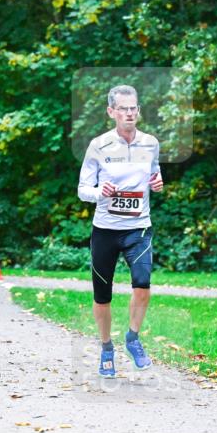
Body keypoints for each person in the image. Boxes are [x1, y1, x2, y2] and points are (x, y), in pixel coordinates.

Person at [77, 85, 164, 377]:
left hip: (138, 228)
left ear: (138, 110)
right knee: (102, 296)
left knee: (143, 285)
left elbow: (154, 172)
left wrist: (157, 183)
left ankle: (133, 338)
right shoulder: (98, 145)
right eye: (123, 108)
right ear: (111, 112)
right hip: (105, 231)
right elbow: (82, 190)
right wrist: (100, 191)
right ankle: (106, 349)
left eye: (133, 108)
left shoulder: (150, 143)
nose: (129, 113)